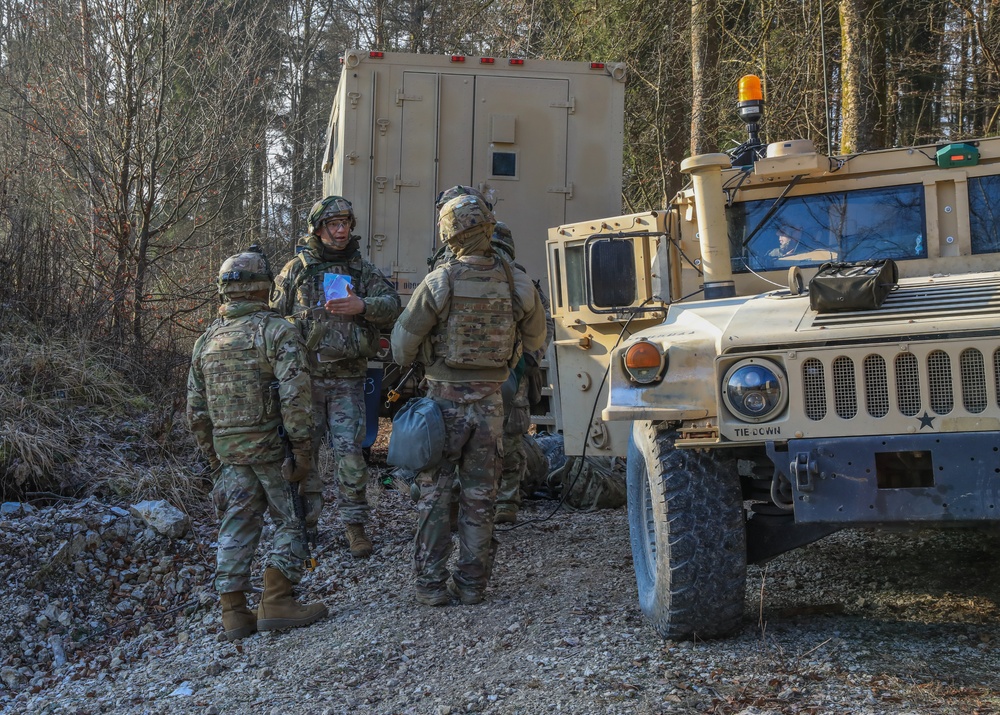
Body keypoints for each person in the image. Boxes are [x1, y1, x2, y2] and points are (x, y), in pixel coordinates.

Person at [391, 194, 547, 606]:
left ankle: (430, 584)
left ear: (448, 233)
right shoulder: (516, 281)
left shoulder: (440, 281)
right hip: (491, 404)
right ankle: (473, 584)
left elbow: (402, 347)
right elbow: (535, 340)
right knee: (482, 497)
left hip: (442, 406)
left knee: (435, 494)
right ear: (488, 227)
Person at [187, 250, 328, 643]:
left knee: (237, 522)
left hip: (230, 452)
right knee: (293, 517)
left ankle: (233, 612)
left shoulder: (207, 340)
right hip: (274, 448)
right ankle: (277, 601)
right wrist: (302, 451)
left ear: (225, 289)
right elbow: (295, 397)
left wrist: (214, 459)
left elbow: (196, 411)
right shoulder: (276, 331)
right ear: (264, 287)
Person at [271, 196, 401, 558]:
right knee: (304, 454)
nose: (341, 230)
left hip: (347, 379)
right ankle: (306, 525)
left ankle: (354, 526)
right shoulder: (296, 269)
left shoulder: (361, 270)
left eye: (345, 223)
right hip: (305, 380)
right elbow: (272, 318)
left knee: (350, 454)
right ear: (318, 228)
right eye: (333, 224)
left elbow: (393, 305)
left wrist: (364, 306)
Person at [490, 221, 555, 524]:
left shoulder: (522, 282)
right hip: (481, 372)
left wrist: (530, 357)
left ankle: (506, 502)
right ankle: (491, 499)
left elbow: (546, 326)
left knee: (512, 437)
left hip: (514, 372)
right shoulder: (473, 276)